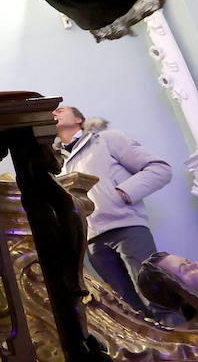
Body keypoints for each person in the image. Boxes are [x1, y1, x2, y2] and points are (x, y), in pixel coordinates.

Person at [52, 105, 178, 322]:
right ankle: (153, 355)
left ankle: (186, 350)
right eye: (52, 112)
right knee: (128, 310)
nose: (54, 113)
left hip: (127, 228)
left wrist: (122, 193)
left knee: (157, 298)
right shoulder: (56, 163)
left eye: (60, 110)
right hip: (93, 242)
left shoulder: (107, 139)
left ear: (79, 119)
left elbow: (160, 169)